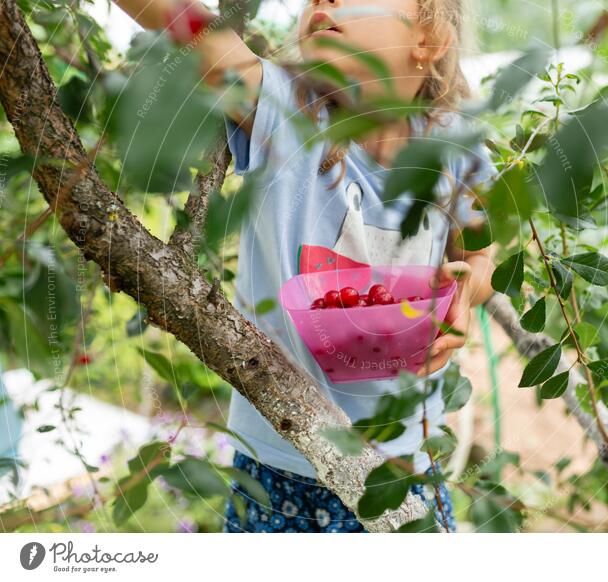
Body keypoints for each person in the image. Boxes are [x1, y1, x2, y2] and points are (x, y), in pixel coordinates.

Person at [113, 0, 497, 532]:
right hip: (276, 463)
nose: (325, 3)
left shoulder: (455, 148)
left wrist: (466, 293)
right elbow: (178, 17)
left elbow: (481, 250)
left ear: (428, 39)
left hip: (403, 465)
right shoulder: (283, 109)